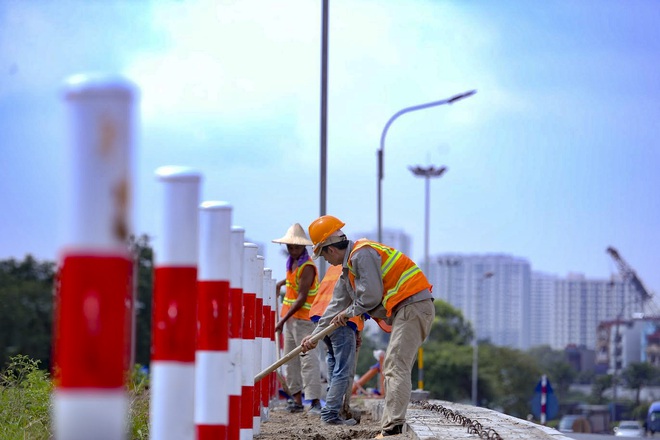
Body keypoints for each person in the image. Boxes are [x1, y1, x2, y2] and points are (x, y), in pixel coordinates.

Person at [301, 215, 435, 438]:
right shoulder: (347, 272)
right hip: (406, 308)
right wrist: (313, 338)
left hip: (414, 305)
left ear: (330, 249)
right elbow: (333, 309)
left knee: (395, 365)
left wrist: (349, 313)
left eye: (322, 254)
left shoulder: (361, 254)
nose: (325, 260)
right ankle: (392, 427)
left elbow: (370, 297)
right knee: (393, 365)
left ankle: (392, 430)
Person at [272, 223, 323, 415]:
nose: (293, 250)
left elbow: (301, 297)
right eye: (290, 247)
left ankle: (315, 401)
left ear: (304, 247)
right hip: (291, 319)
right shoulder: (292, 264)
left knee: (307, 359)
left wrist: (282, 321)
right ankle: (296, 399)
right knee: (290, 360)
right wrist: (281, 282)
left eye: (296, 247)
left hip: (303, 320)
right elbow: (294, 280)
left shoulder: (307, 266)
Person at [307, 263, 362, 426]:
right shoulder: (358, 268)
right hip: (340, 320)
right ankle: (331, 413)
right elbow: (363, 303)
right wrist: (357, 330)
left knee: (333, 361)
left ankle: (334, 407)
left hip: (320, 317)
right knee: (343, 368)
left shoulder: (338, 266)